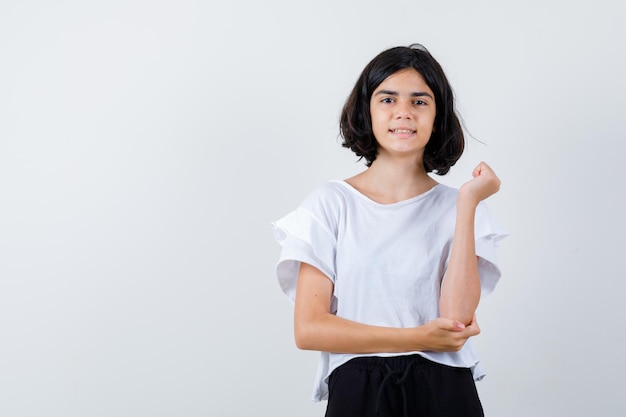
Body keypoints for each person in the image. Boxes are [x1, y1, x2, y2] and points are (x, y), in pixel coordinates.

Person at [272, 44, 507, 417]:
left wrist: (467, 204)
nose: (403, 113)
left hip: (445, 387)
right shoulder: (330, 203)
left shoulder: (461, 205)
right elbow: (309, 328)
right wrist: (418, 338)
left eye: (419, 101)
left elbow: (457, 318)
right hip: (359, 385)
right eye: (387, 99)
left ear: (437, 116)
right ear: (367, 110)